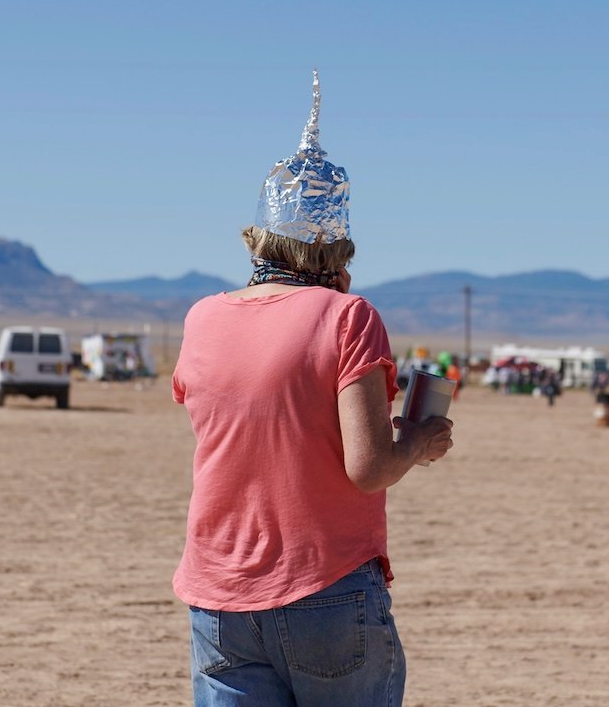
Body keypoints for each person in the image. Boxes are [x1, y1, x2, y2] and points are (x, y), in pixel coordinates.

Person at [172, 72, 453, 707]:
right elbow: (369, 467)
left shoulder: (201, 318)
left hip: (218, 594)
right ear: (335, 247)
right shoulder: (345, 317)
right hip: (325, 586)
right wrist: (417, 439)